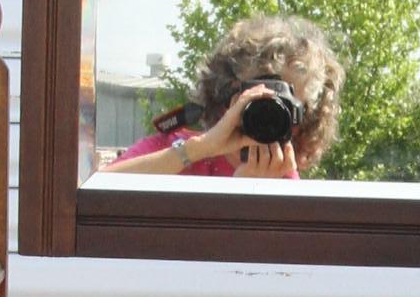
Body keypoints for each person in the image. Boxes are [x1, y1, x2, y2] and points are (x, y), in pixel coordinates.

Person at [99, 14, 344, 180]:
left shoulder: (281, 173)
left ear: (303, 119)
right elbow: (90, 201)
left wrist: (260, 195)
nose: (268, 116)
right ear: (225, 98)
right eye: (255, 101)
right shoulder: (171, 152)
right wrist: (199, 149)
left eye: (285, 107)